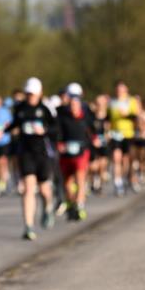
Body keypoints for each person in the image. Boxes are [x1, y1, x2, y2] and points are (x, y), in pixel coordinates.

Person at [8, 77, 57, 240]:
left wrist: (44, 130)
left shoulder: (46, 108)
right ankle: (28, 226)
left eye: (33, 94)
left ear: (40, 93)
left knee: (43, 189)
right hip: (26, 152)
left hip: (42, 153)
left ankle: (48, 207)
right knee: (29, 189)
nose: (30, 97)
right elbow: (15, 123)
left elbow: (56, 129)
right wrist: (4, 130)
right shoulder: (20, 108)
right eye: (28, 94)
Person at [56, 83, 93, 221]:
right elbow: (57, 132)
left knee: (80, 179)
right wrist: (59, 144)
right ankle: (71, 203)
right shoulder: (61, 115)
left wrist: (93, 141)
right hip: (66, 153)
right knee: (67, 183)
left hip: (81, 152)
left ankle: (80, 205)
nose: (73, 107)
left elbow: (91, 130)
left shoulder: (86, 115)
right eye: (71, 104)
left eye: (76, 104)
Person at [108, 80, 141, 196]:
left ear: (126, 90)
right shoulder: (112, 102)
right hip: (115, 133)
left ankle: (127, 177)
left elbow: (137, 116)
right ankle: (118, 182)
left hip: (128, 134)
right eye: (118, 89)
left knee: (126, 160)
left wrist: (127, 114)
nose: (120, 92)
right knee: (116, 158)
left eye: (122, 89)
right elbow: (107, 118)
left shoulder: (131, 101)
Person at [89, 94, 110, 194]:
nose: (100, 105)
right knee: (93, 166)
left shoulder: (108, 116)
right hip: (93, 143)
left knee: (102, 165)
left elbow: (110, 130)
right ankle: (94, 179)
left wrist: (107, 136)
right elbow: (88, 130)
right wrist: (93, 139)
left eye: (102, 103)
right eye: (98, 103)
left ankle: (99, 185)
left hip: (104, 144)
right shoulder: (91, 116)